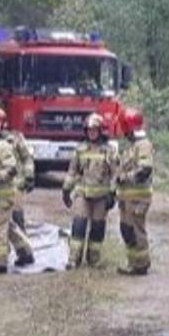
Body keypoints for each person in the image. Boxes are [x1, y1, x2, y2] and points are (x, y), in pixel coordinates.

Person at [0, 113, 34, 273]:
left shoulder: (3, 146)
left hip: (5, 194)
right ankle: (26, 252)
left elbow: (11, 169)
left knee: (0, 227)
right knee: (8, 225)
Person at [62, 113, 116, 269]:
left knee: (98, 228)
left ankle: (93, 259)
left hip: (101, 196)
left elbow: (115, 174)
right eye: (89, 130)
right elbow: (72, 172)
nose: (92, 133)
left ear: (101, 131)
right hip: (82, 194)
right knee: (79, 225)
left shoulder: (109, 151)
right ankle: (73, 259)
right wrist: (66, 190)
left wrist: (112, 194)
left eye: (95, 130)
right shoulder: (80, 150)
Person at [114, 107, 154, 276]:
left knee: (136, 231)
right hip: (126, 199)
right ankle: (133, 263)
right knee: (127, 231)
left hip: (138, 198)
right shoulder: (132, 147)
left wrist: (126, 177)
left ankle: (141, 265)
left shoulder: (143, 145)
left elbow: (145, 169)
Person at [0, 106, 37, 229]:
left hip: (15, 184)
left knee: (16, 215)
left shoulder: (15, 138)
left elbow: (27, 158)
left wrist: (29, 176)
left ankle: (22, 244)